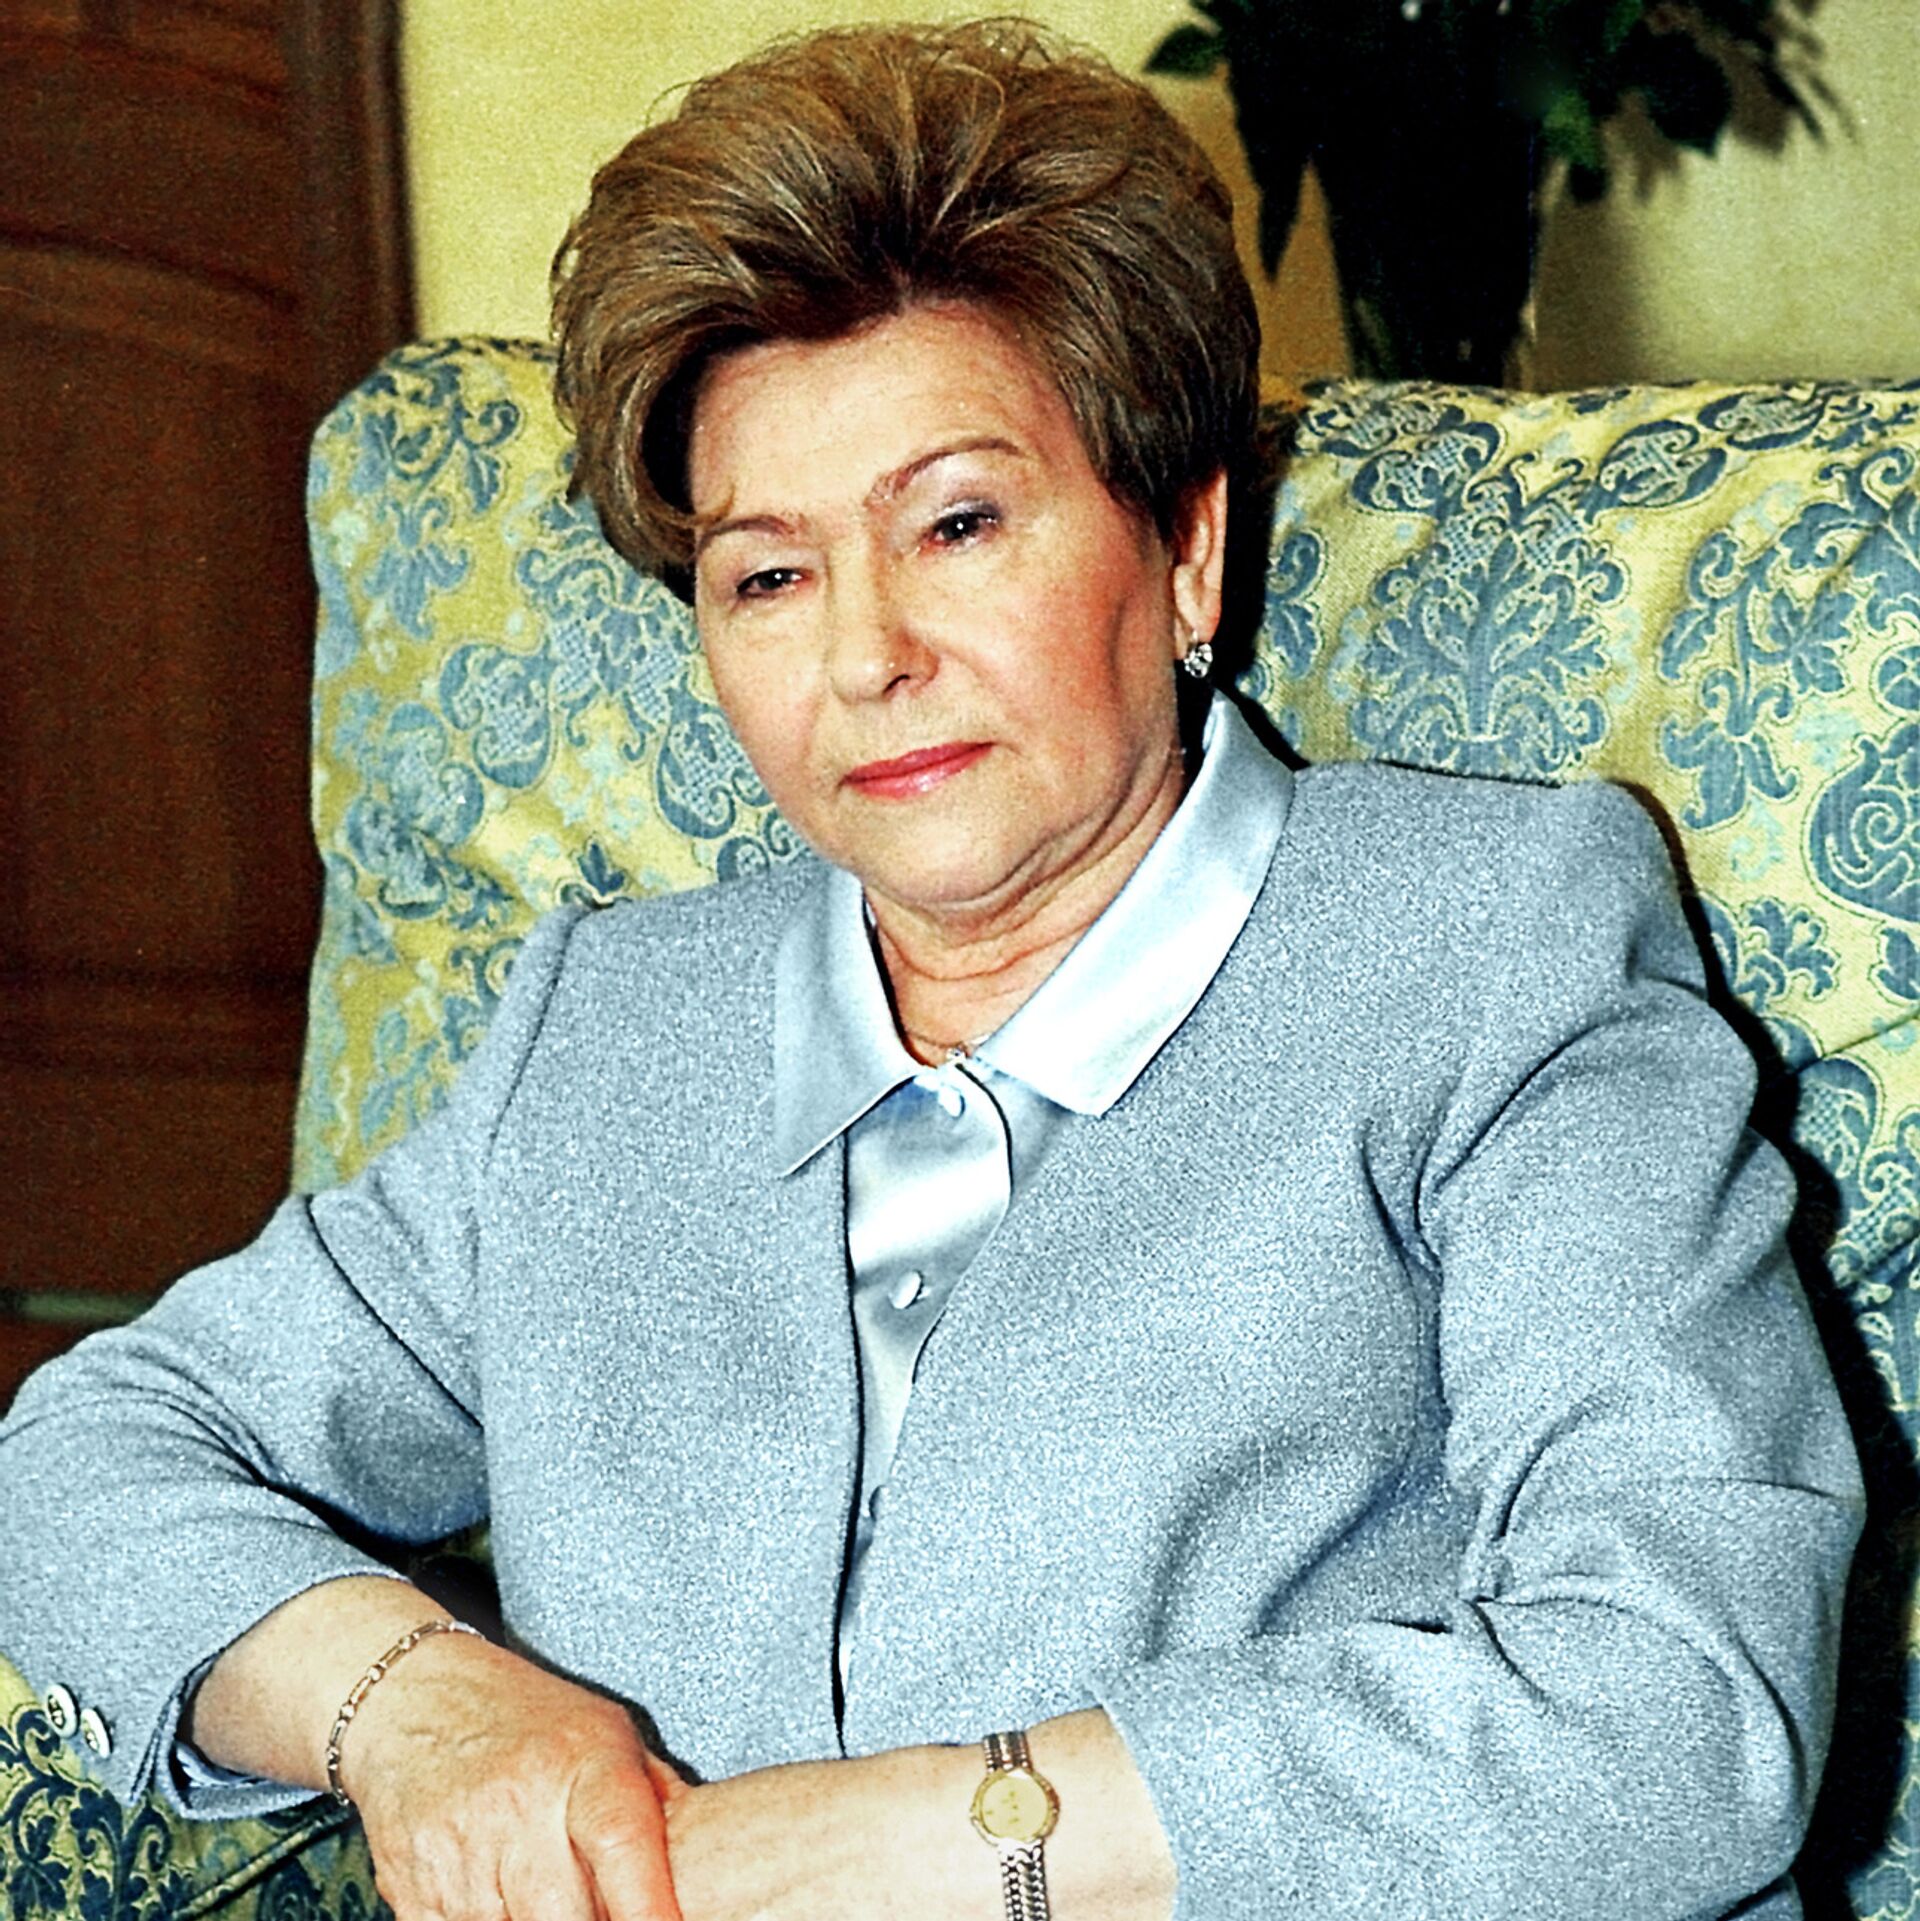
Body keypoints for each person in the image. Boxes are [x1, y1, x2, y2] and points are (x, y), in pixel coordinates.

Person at [0, 20, 1862, 1921]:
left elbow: (1684, 1702)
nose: (866, 655)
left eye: (956, 523)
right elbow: (92, 1450)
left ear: (1187, 545)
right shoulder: (611, 1029)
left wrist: (935, 1839)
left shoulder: (1496, 947)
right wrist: (417, 1707)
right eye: (767, 574)